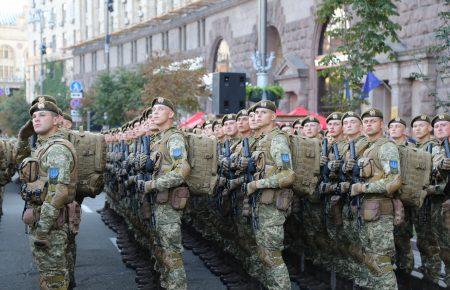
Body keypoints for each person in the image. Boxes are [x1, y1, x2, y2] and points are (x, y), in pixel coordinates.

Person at [20, 98, 77, 289]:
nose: (36, 119)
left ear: (57, 120)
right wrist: (22, 138)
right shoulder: (43, 147)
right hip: (45, 222)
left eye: (42, 115)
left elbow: (57, 193)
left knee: (53, 280)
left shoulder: (57, 149)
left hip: (51, 227)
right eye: (34, 116)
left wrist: (43, 230)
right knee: (51, 277)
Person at [138, 97, 191, 290]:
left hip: (169, 204)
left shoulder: (174, 138)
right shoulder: (159, 139)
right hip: (158, 203)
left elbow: (181, 170)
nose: (155, 113)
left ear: (171, 114)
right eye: (153, 110)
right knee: (161, 250)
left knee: (171, 254)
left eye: (160, 109)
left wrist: (154, 184)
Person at [348, 108, 400, 289]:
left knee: (382, 261)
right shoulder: (366, 147)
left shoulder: (386, 147)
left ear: (382, 124)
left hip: (380, 211)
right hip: (366, 210)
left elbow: (394, 181)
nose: (369, 124)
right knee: (369, 259)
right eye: (366, 122)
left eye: (373, 121)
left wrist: (363, 187)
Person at [245, 100, 294, 290]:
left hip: (273, 206)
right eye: (256, 113)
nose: (257, 116)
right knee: (264, 255)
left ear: (273, 116)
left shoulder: (277, 140)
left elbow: (288, 174)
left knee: (272, 256)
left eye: (263, 113)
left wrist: (259, 183)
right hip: (261, 204)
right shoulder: (261, 139)